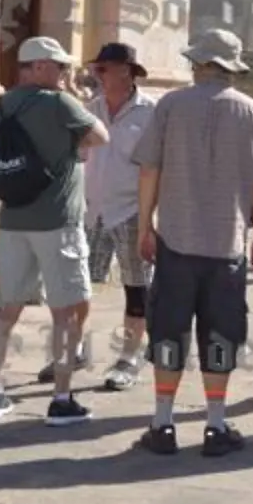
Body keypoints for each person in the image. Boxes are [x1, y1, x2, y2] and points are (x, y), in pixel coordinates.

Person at [132, 28, 253, 456]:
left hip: (176, 239)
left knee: (169, 331)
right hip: (227, 242)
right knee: (221, 334)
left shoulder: (170, 106)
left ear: (198, 65)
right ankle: (215, 425)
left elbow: (148, 171)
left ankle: (162, 423)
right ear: (232, 68)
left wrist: (145, 226)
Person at [0, 37, 109, 424]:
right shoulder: (60, 103)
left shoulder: (1, 106)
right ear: (37, 66)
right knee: (66, 311)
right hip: (57, 221)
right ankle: (61, 398)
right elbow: (101, 137)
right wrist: (72, 105)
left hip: (15, 219)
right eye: (59, 66)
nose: (65, 73)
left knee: (8, 306)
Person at [79, 43, 155, 392]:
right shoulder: (89, 110)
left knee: (136, 289)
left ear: (125, 70)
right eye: (96, 69)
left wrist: (149, 222)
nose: (96, 75)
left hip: (131, 213)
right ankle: (74, 350)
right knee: (78, 286)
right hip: (92, 212)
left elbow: (158, 169)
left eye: (103, 69)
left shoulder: (150, 112)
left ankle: (129, 357)